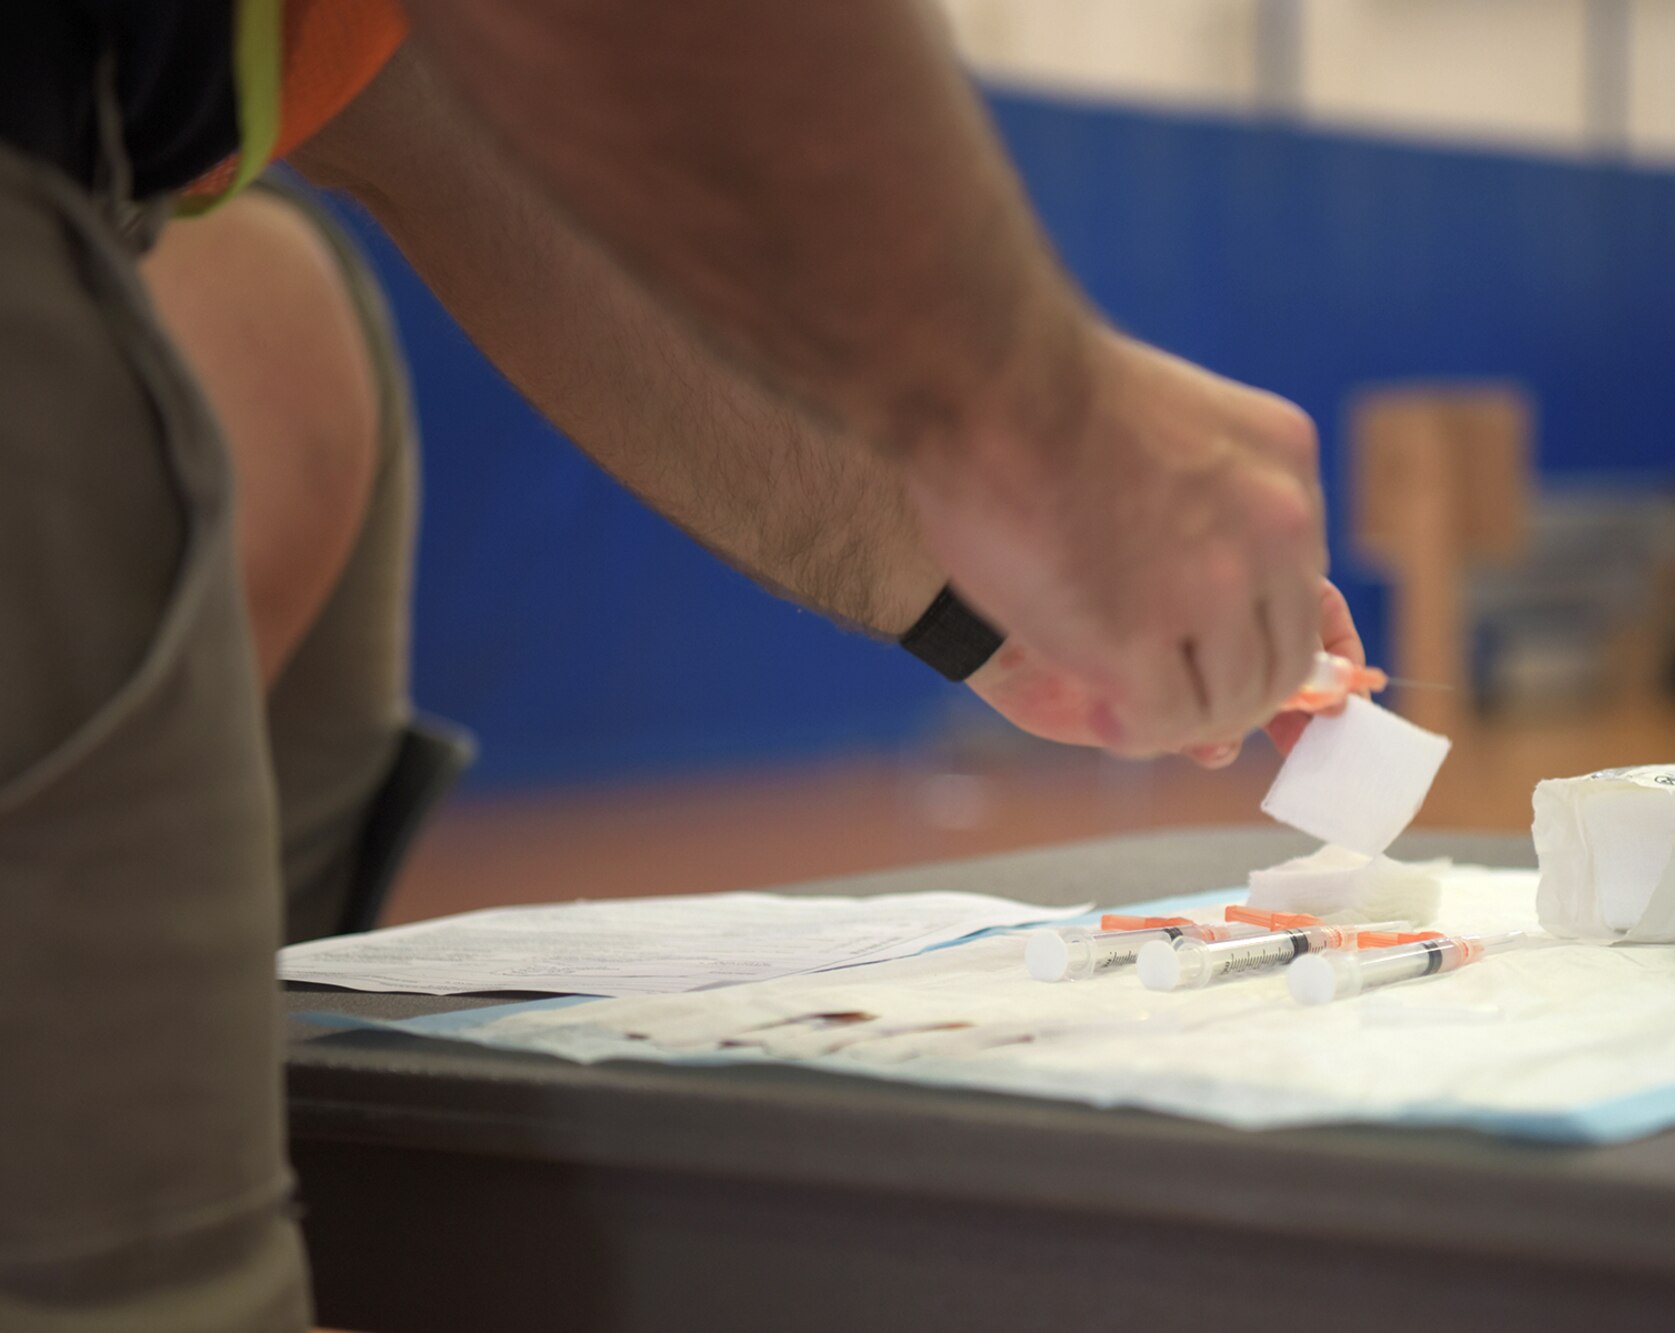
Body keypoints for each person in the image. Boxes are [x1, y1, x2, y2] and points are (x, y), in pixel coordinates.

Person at [0, 2, 1366, 1328]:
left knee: (288, 313)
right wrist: (1028, 413)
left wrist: (972, 587)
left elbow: (441, 120)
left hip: (108, 159)